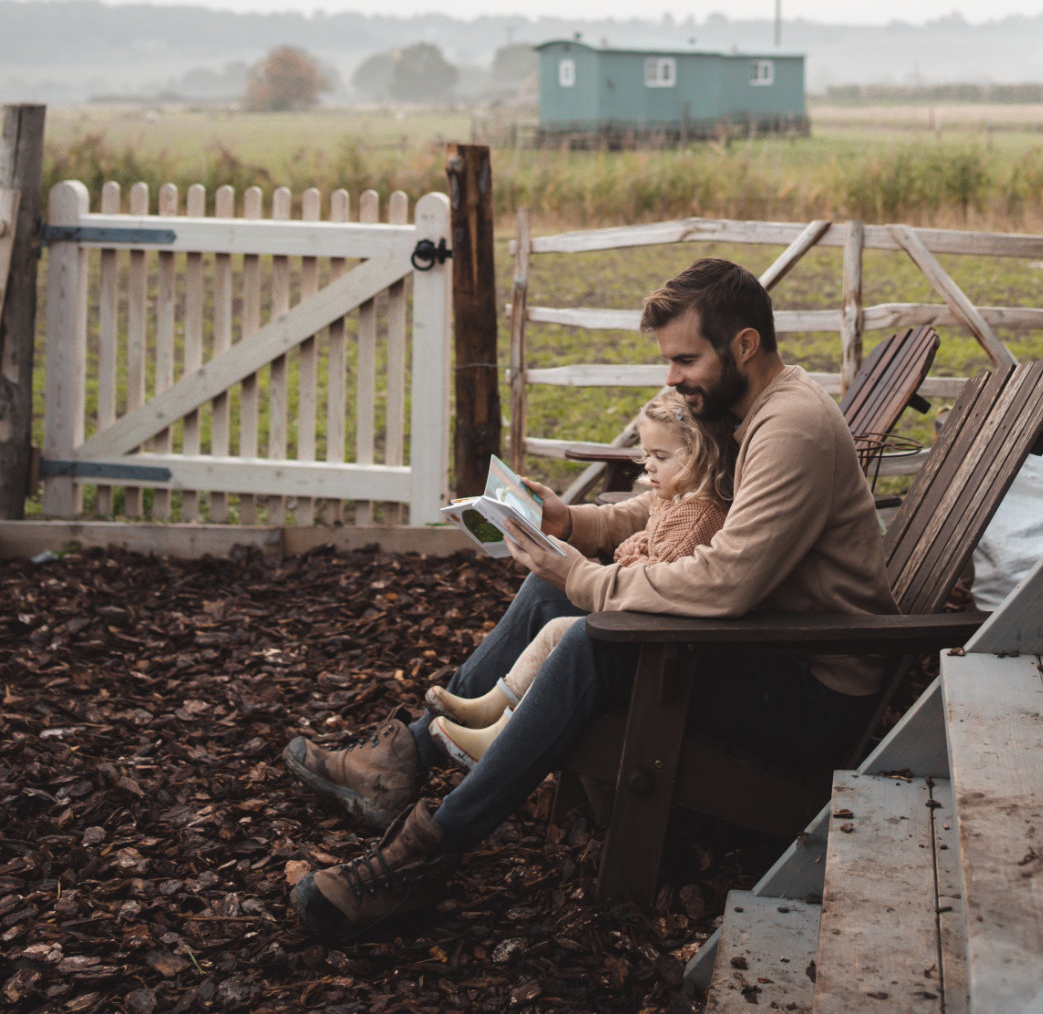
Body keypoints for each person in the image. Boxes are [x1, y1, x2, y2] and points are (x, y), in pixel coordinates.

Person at [284, 256, 898, 942]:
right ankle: (404, 761)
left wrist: (585, 576)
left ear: (745, 345)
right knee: (552, 599)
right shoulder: (749, 409)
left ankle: (427, 854)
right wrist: (572, 529)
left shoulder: (790, 429)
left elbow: (726, 582)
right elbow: (685, 506)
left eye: (685, 358)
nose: (672, 378)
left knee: (589, 639)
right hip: (767, 646)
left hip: (809, 689)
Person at [424, 387, 731, 765]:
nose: (648, 465)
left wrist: (624, 559)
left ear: (701, 457)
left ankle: (500, 735)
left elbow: (661, 576)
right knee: (556, 630)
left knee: (564, 634)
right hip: (640, 616)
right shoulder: (670, 500)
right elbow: (646, 543)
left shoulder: (698, 515)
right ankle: (493, 707)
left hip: (657, 636)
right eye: (646, 454)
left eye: (661, 457)